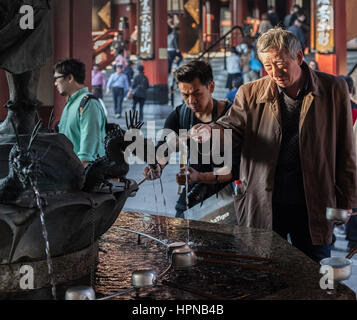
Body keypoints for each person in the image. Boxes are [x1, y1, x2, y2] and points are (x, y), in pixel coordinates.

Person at [192, 28, 357, 262]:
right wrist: (211, 130)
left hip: (313, 201)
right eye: (268, 65)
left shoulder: (333, 89)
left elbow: (345, 149)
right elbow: (231, 127)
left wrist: (347, 200)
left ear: (299, 57)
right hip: (265, 200)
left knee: (314, 273)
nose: (275, 72)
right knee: (264, 271)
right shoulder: (250, 92)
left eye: (280, 63)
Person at [142, 60, 240, 218]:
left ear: (211, 87)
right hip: (193, 187)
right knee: (181, 223)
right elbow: (164, 149)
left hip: (228, 193)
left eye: (197, 93)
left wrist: (200, 177)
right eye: (185, 95)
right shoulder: (181, 114)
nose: (191, 101)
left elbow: (235, 169)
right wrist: (157, 166)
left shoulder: (232, 116)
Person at [54, 58, 107, 167]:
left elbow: (86, 154)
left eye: (57, 78)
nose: (55, 83)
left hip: (84, 174)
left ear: (70, 78)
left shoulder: (88, 103)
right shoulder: (70, 103)